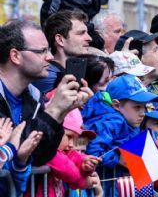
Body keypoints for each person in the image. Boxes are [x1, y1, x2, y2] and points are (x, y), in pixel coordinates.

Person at [0, 20, 91, 166]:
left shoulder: (34, 97)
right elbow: (11, 154)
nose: (49, 57)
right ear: (15, 55)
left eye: (48, 50)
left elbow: (40, 156)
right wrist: (54, 109)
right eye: (41, 51)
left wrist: (61, 112)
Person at [33, 10, 93, 94]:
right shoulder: (48, 76)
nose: (89, 38)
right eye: (81, 33)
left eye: (87, 33)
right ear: (60, 40)